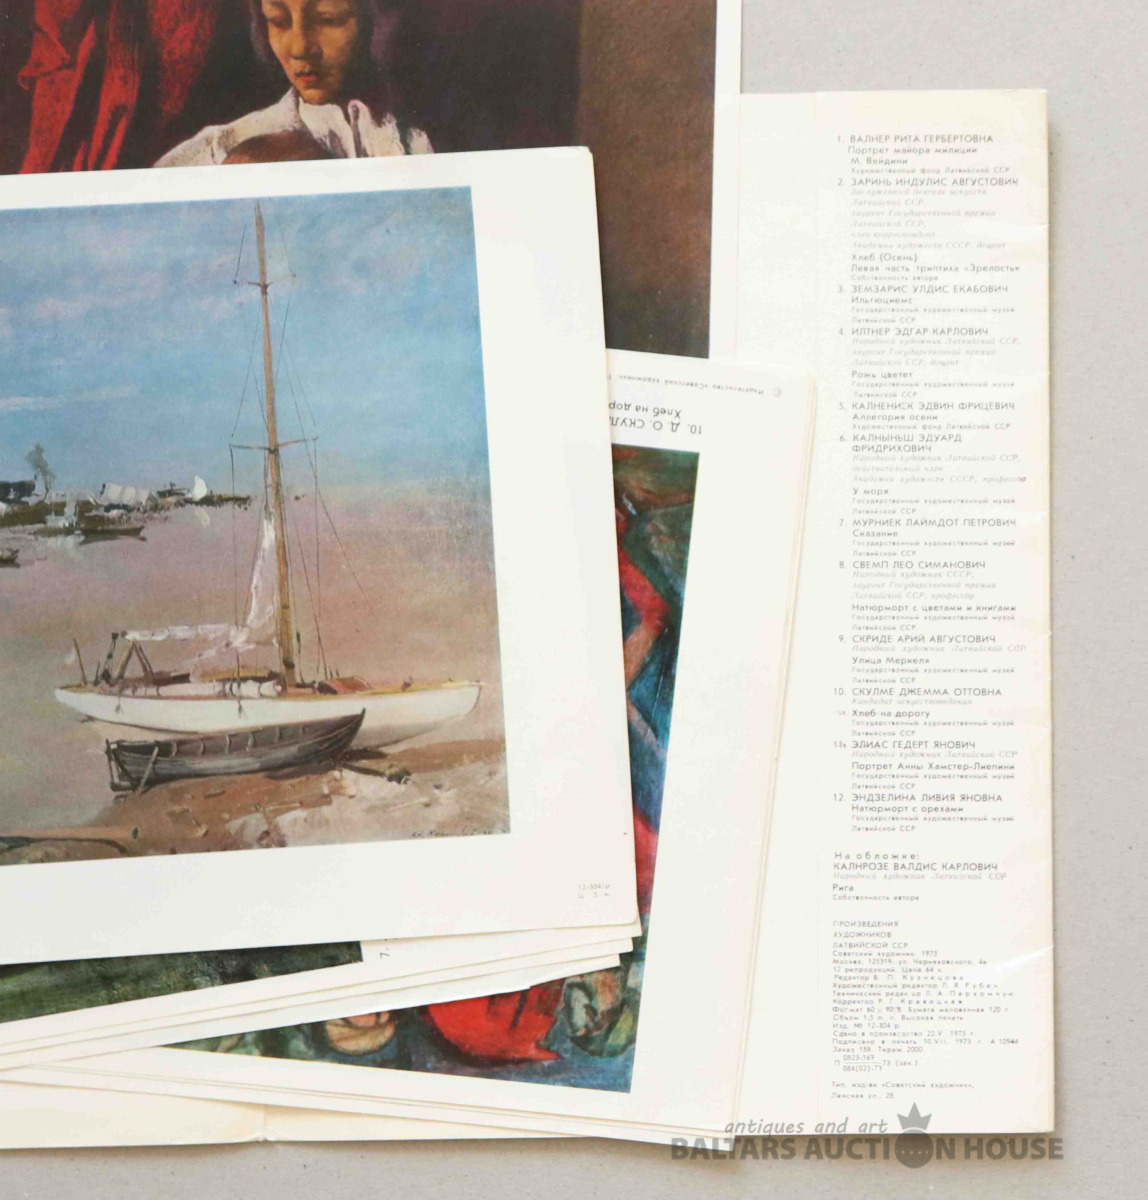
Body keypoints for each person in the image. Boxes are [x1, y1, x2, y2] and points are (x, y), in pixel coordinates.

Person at [157, 0, 431, 167]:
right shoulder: (219, 149)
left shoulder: (415, 143)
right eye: (278, 21)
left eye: (327, 19)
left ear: (373, 20)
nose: (300, 47)